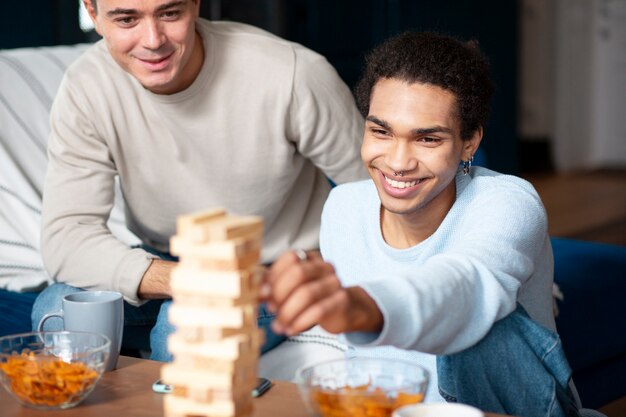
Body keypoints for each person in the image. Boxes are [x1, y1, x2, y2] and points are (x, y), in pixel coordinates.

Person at [263, 32, 587, 415]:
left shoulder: (508, 201)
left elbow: (464, 286)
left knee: (480, 328)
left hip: (515, 405)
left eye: (427, 139)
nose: (398, 162)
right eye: (380, 131)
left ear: (468, 143)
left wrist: (365, 306)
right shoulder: (344, 207)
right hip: (397, 407)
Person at [32, 0, 367, 361]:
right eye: (127, 19)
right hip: (169, 260)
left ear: (195, 4)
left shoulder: (293, 73)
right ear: (93, 14)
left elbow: (374, 197)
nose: (152, 40)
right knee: (58, 312)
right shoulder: (87, 87)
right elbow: (67, 236)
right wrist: (184, 280)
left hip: (274, 269)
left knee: (183, 334)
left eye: (169, 13)